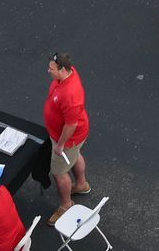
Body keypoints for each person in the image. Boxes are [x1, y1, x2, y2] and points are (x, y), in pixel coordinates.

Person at [42, 54, 90, 225]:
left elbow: (71, 124)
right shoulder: (68, 74)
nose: (48, 71)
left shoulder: (70, 94)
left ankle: (66, 205)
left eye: (51, 69)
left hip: (67, 139)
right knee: (75, 156)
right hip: (73, 139)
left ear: (62, 69)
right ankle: (82, 184)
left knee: (59, 172)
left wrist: (61, 144)